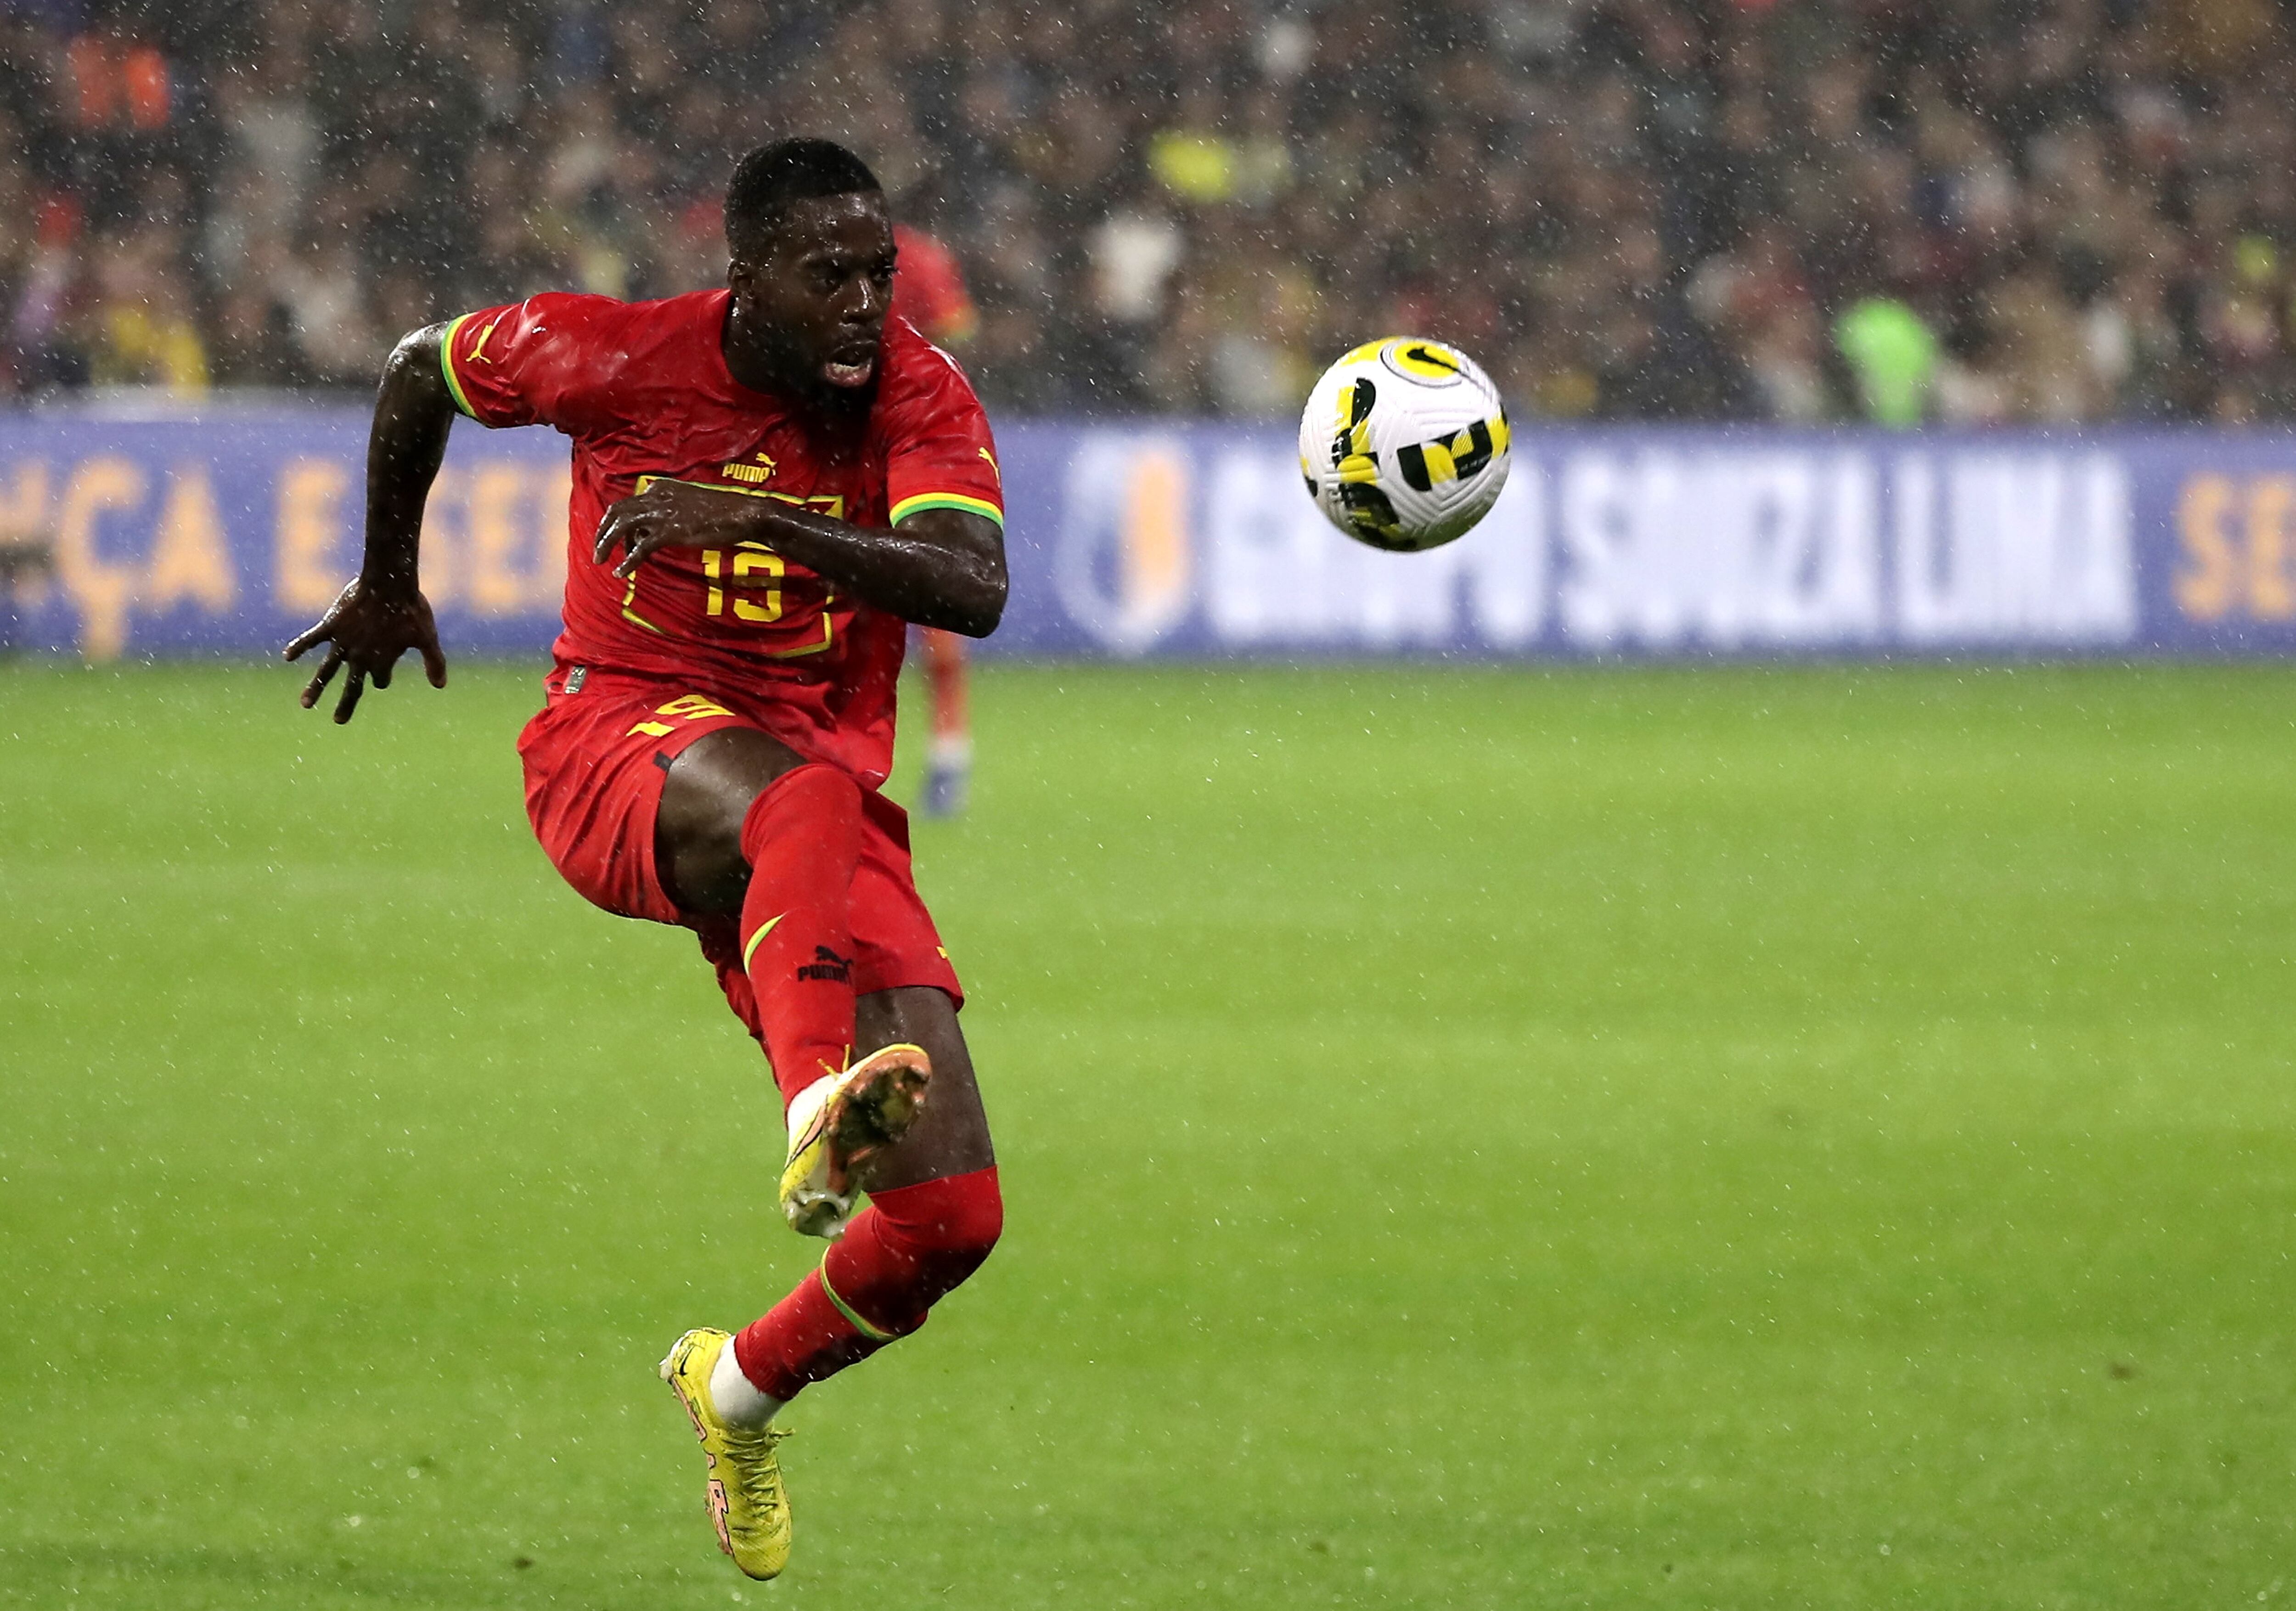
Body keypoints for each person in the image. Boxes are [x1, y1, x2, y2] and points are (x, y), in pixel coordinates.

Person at [284, 139, 1008, 1583]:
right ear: (748, 280)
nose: (871, 303)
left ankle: (734, 1387)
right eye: (833, 276)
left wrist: (756, 517)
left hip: (814, 793)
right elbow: (422, 365)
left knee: (946, 1220)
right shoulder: (612, 355)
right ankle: (817, 1103)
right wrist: (385, 575)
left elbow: (973, 588)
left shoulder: (918, 391)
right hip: (614, 742)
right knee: (791, 794)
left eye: (879, 270)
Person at [888, 217, 980, 816]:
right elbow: (959, 330)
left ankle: (949, 753)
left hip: (909, 439)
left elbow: (956, 332)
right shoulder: (919, 255)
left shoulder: (914, 256)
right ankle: (947, 751)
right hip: (878, 440)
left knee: (932, 600)